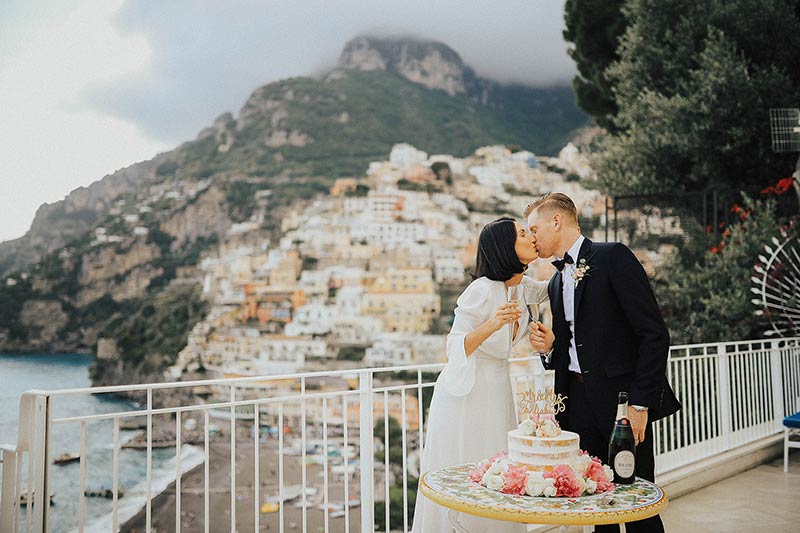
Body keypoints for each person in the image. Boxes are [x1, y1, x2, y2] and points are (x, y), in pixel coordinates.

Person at [526, 193, 680, 533]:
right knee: (595, 506)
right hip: (578, 408)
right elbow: (571, 347)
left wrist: (640, 404)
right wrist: (552, 349)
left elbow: (654, 334)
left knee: (637, 503)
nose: (532, 238)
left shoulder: (613, 257)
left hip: (622, 405)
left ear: (557, 221)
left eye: (534, 228)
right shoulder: (555, 281)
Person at [412, 217, 555, 533]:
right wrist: (492, 323)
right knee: (470, 465)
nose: (531, 237)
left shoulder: (521, 287)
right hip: (467, 394)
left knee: (498, 464)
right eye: (522, 233)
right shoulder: (482, 290)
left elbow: (552, 289)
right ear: (506, 247)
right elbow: (454, 346)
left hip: (498, 389)